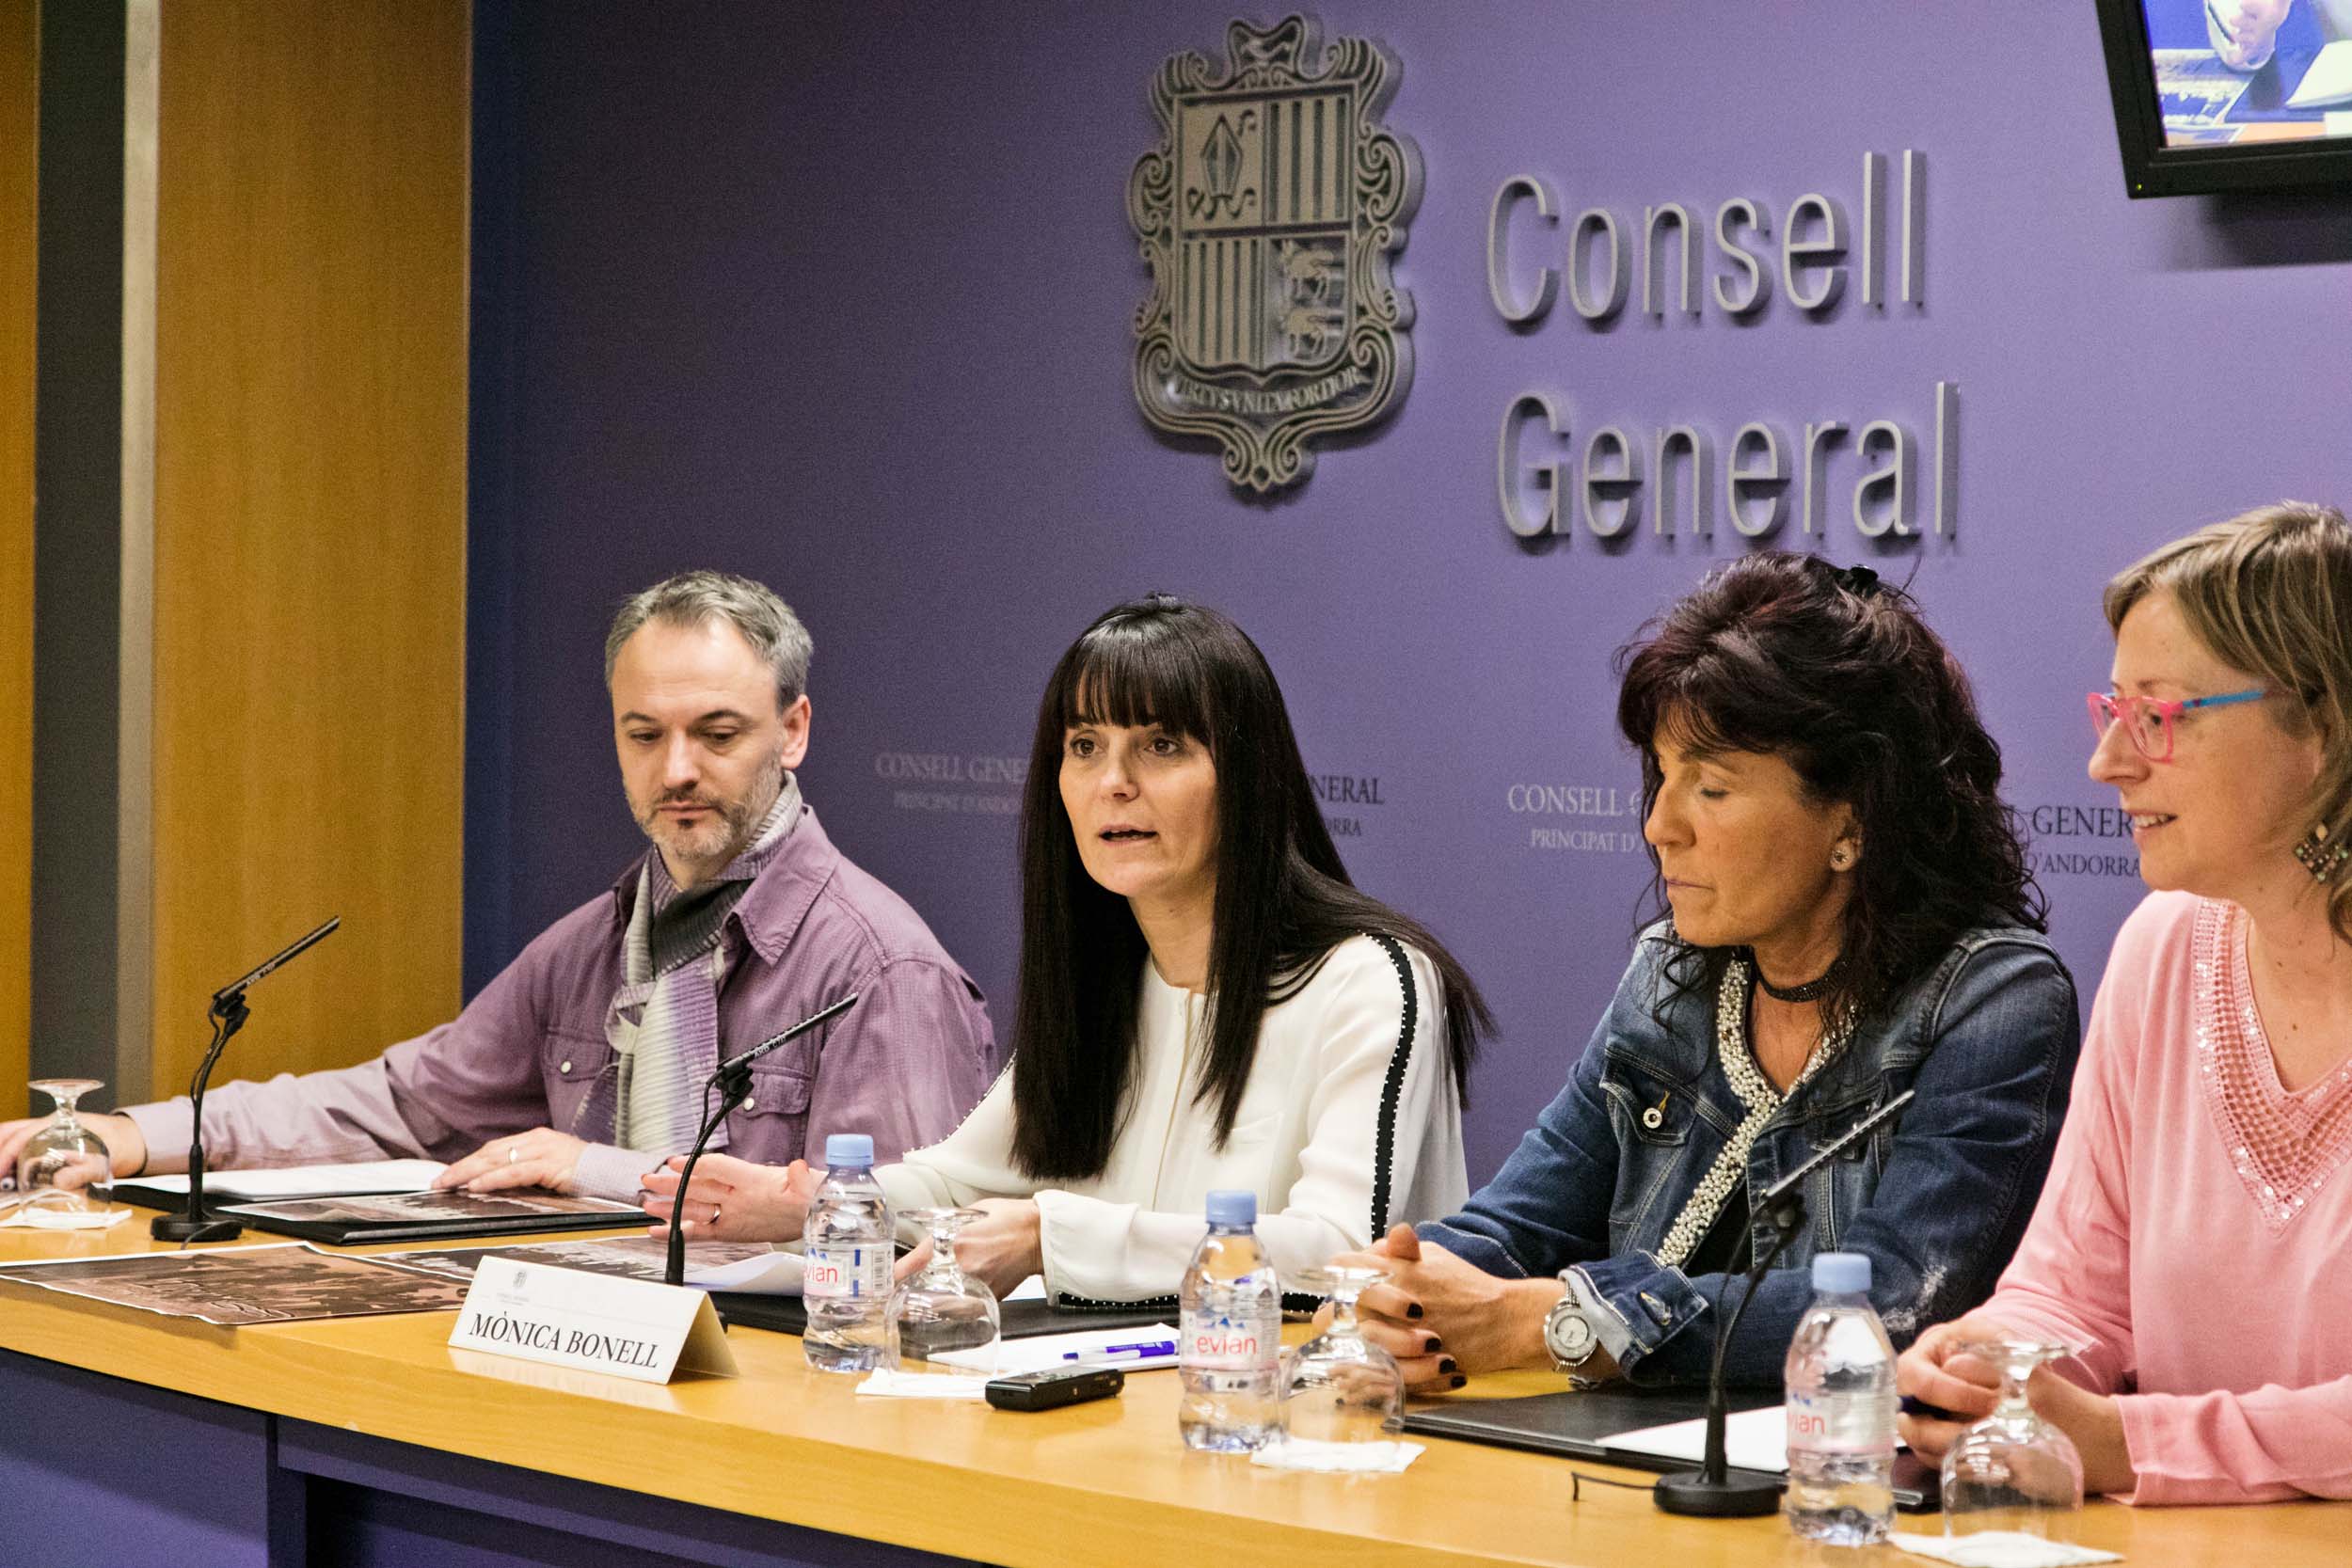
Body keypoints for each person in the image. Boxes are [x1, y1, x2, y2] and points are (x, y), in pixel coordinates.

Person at [0, 571, 993, 1200]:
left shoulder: (879, 967)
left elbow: (905, 1230)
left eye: (717, 733)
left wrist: (592, 1167)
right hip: (587, 1352)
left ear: (795, 730)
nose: (677, 769)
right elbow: (395, 1105)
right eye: (643, 734)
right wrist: (133, 1135)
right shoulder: (594, 944)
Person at [1336, 554, 2080, 1391]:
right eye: (1662, 775)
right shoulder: (1672, 973)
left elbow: (1896, 1305)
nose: (1659, 824)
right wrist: (1400, 1293)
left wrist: (1551, 1321)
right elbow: (1515, 1226)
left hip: (1840, 1458)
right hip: (1625, 1455)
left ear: (1853, 820)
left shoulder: (1993, 998)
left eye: (1712, 788)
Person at [643, 594, 1489, 1302]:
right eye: (1085, 747)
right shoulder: (1108, 978)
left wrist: (1053, 1237)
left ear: (1247, 776)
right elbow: (957, 1184)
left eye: (1161, 745)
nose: (1114, 781)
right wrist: (819, 1201)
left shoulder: (1369, 979)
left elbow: (1338, 1253)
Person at [1899, 502, 2352, 1505]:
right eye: (2113, 712)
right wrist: (1990, 1365)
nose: (2108, 761)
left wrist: (2128, 1442)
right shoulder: (2163, 949)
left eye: (2158, 716)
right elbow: (2072, 1288)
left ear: (2321, 724)